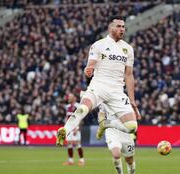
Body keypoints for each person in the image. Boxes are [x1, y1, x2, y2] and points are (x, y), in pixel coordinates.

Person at [56, 15, 141, 146]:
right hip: (99, 86)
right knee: (83, 108)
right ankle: (64, 131)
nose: (122, 29)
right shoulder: (99, 45)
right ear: (110, 28)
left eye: (123, 26)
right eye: (118, 26)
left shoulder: (128, 49)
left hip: (117, 91)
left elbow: (129, 75)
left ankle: (106, 124)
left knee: (132, 127)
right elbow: (90, 65)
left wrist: (132, 100)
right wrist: (88, 69)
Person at [98, 103, 136, 174]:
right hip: (112, 131)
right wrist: (101, 124)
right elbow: (101, 115)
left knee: (129, 160)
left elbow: (132, 115)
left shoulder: (125, 100)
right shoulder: (104, 100)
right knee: (116, 154)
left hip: (125, 132)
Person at [63, 93, 85, 166]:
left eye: (70, 97)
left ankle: (82, 160)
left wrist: (77, 128)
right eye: (68, 97)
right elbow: (67, 117)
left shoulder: (78, 106)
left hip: (75, 128)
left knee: (77, 143)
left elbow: (80, 118)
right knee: (69, 143)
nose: (68, 98)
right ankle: (70, 160)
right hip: (69, 128)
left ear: (74, 98)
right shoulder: (67, 106)